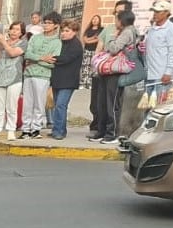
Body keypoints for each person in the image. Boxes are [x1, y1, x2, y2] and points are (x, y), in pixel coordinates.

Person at [92, 10, 139, 143]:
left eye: (117, 19)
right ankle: (101, 130)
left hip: (116, 71)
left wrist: (112, 37)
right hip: (109, 71)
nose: (115, 22)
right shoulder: (125, 32)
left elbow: (113, 49)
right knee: (102, 102)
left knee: (111, 103)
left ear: (122, 20)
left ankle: (111, 133)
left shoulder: (128, 32)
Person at [21, 12, 61, 139]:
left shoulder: (57, 42)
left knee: (39, 103)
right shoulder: (35, 38)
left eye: (49, 23)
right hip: (29, 74)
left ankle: (36, 128)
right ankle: (25, 128)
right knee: (27, 103)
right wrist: (42, 58)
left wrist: (35, 60)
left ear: (56, 25)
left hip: (43, 76)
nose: (46, 25)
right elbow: (28, 54)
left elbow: (52, 62)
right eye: (45, 22)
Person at [0, 21, 26, 142]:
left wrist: (4, 43)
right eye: (12, 29)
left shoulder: (23, 43)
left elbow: (12, 53)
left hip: (14, 78)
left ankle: (11, 130)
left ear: (21, 33)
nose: (14, 31)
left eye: (17, 30)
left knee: (11, 107)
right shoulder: (3, 42)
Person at [49, 20, 85, 141]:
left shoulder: (76, 45)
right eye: (62, 31)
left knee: (61, 105)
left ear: (74, 32)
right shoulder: (60, 43)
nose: (63, 33)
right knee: (57, 105)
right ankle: (58, 129)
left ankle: (59, 131)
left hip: (68, 81)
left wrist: (52, 58)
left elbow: (65, 59)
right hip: (57, 79)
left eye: (67, 31)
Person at [145, 0, 173, 104]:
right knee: (147, 106)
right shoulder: (152, 28)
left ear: (166, 13)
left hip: (161, 76)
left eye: (158, 12)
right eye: (154, 11)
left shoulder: (171, 29)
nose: (155, 14)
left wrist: (168, 72)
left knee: (160, 104)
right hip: (149, 73)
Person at [80, 15, 103, 90]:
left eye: (96, 19)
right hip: (87, 50)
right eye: (93, 19)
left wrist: (89, 40)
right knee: (85, 66)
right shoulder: (88, 29)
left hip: (95, 51)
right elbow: (85, 40)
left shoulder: (101, 29)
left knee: (92, 67)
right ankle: (83, 83)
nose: (94, 20)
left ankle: (90, 83)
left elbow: (99, 39)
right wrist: (93, 37)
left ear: (99, 20)